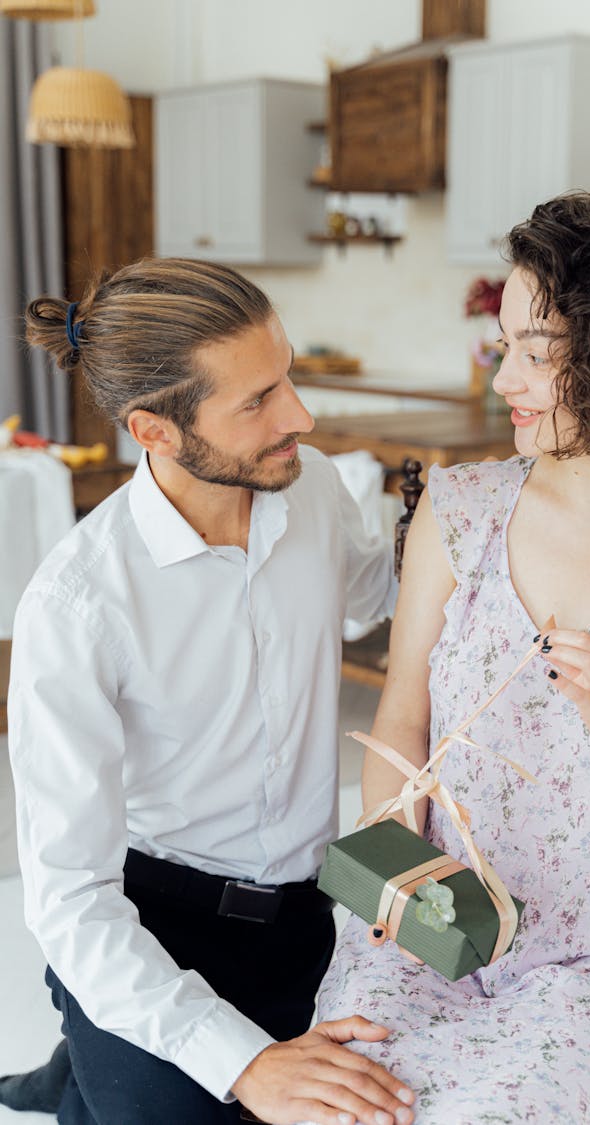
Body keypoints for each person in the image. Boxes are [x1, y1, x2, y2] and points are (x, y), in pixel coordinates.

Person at [312, 193, 590, 1124]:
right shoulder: (462, 511)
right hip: (436, 930)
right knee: (348, 1108)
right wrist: (397, 887)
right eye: (503, 343)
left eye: (535, 352)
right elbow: (402, 722)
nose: (504, 376)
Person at [6, 257, 417, 1125]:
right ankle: (84, 1065)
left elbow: (374, 596)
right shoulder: (77, 606)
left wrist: (462, 522)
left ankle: (77, 1067)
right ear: (154, 430)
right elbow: (72, 899)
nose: (300, 417)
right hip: (151, 924)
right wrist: (248, 1063)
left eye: (289, 377)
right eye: (258, 401)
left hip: (306, 914)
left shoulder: (311, 490)